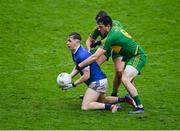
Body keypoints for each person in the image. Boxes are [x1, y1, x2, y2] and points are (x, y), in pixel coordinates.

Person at [76, 16, 147, 114]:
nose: (99, 29)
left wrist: (79, 66)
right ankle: (128, 98)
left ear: (108, 26)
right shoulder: (113, 31)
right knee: (127, 79)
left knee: (125, 79)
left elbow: (95, 56)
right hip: (129, 56)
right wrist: (98, 43)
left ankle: (140, 107)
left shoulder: (111, 36)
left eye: (101, 27)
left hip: (137, 57)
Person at [61, 32, 135, 113]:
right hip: (100, 79)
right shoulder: (75, 51)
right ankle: (125, 99)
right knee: (102, 100)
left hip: (97, 82)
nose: (67, 43)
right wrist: (70, 76)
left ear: (77, 41)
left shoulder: (81, 55)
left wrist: (73, 84)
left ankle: (111, 107)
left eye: (69, 41)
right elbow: (78, 67)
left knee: (85, 106)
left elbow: (86, 76)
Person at [86, 11, 125, 97]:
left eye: (100, 26)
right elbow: (89, 40)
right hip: (105, 48)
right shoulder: (98, 28)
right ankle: (93, 91)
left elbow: (112, 39)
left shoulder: (116, 27)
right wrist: (89, 50)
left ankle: (114, 94)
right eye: (98, 25)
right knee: (93, 67)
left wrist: (98, 42)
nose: (98, 28)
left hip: (117, 48)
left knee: (119, 71)